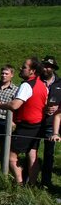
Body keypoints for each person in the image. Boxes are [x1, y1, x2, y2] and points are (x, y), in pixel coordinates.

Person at [0, 57, 47, 185]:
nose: (21, 69)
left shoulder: (27, 85)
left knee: (10, 156)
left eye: (24, 67)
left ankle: (19, 183)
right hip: (38, 125)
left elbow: (15, 105)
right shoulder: (42, 85)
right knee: (32, 156)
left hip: (26, 126)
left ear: (32, 71)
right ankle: (31, 185)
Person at [40, 56, 61, 187]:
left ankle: (46, 182)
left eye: (48, 66)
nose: (45, 68)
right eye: (44, 65)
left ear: (53, 68)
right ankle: (27, 179)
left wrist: (57, 107)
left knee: (49, 154)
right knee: (31, 151)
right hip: (36, 120)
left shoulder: (60, 83)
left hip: (52, 123)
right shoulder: (35, 81)